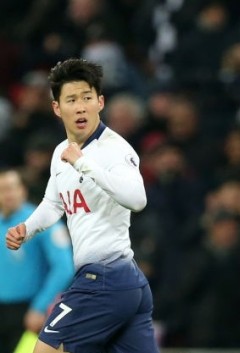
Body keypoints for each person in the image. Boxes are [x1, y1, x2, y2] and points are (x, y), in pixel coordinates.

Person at [5, 58, 159, 353]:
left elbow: (138, 200)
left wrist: (84, 164)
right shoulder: (62, 152)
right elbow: (53, 203)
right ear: (57, 108)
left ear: (100, 102)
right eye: (72, 99)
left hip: (103, 279)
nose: (80, 107)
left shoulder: (114, 148)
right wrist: (28, 228)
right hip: (123, 284)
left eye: (87, 98)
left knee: (43, 352)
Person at [0, 168, 73, 353]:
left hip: (28, 311)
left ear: (23, 190)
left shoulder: (41, 222)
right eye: (2, 189)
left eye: (11, 188)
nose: (6, 194)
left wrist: (40, 307)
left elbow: (64, 268)